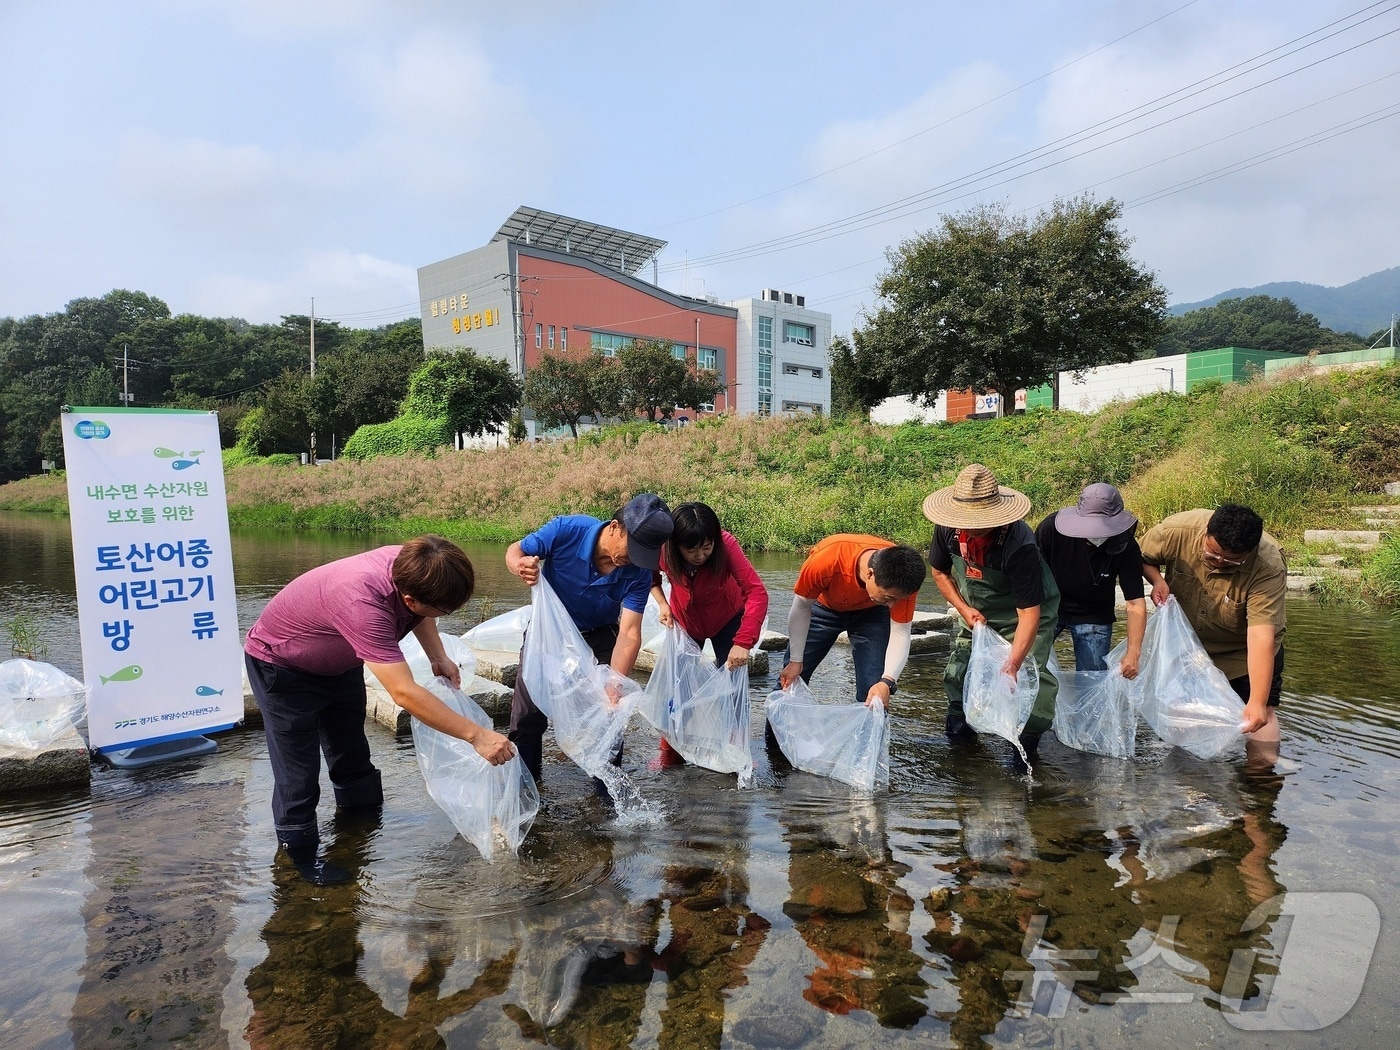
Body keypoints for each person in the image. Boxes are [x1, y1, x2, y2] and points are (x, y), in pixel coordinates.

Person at [244, 535, 513, 884]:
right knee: (299, 772)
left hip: (339, 661)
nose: (445, 615)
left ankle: (361, 827)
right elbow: (403, 693)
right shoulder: (362, 603)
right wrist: (476, 736)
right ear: (409, 598)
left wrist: (437, 656)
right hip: (282, 667)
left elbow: (423, 612)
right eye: (445, 611)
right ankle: (298, 858)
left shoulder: (416, 565)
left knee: (351, 751)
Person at [505, 492, 674, 782]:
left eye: (643, 555)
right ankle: (527, 787)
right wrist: (521, 565)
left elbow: (630, 632)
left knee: (609, 717)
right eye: (631, 549)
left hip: (600, 636)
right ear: (614, 527)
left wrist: (615, 682)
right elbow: (515, 550)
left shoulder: (638, 571)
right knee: (526, 717)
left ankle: (605, 793)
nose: (632, 560)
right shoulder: (566, 531)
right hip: (547, 636)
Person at [924, 464, 1060, 753]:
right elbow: (939, 573)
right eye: (965, 522)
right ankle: (961, 748)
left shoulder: (1019, 544)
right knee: (959, 674)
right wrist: (963, 609)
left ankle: (1024, 755)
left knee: (1027, 683)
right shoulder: (947, 527)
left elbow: (1029, 614)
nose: (969, 529)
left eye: (979, 523)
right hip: (975, 612)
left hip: (1022, 615)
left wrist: (1011, 665)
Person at [1138, 503, 1285, 763]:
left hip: (1241, 651)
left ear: (1249, 552)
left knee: (1262, 716)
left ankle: (1260, 780)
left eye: (1232, 560)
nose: (1220, 563)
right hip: (1187, 644)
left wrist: (1257, 702)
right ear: (1206, 533)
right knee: (1181, 708)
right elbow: (1139, 558)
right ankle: (1185, 774)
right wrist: (1157, 580)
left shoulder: (1268, 563)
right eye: (1213, 554)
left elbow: (1261, 634)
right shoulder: (1177, 531)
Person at [651, 501, 770, 765]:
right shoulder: (662, 549)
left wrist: (743, 642)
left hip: (727, 619)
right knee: (678, 685)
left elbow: (757, 593)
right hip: (685, 621)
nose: (701, 555)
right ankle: (669, 750)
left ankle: (736, 748)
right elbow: (650, 578)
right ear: (675, 545)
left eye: (707, 547)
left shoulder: (726, 544)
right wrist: (662, 604)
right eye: (691, 550)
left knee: (734, 687)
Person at [776, 534, 927, 709]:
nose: (893, 605)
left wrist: (887, 681)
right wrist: (795, 660)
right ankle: (773, 737)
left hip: (872, 614)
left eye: (897, 599)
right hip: (823, 608)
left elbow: (901, 632)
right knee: (790, 681)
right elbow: (801, 606)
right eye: (889, 597)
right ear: (870, 574)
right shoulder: (826, 560)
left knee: (874, 694)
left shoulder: (904, 581)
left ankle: (870, 736)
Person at [1035, 482, 1146, 677]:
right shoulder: (1051, 529)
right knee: (1031, 667)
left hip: (1095, 614)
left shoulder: (1126, 545)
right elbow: (1031, 575)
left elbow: (1135, 601)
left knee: (1092, 680)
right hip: (1050, 607)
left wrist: (1133, 653)